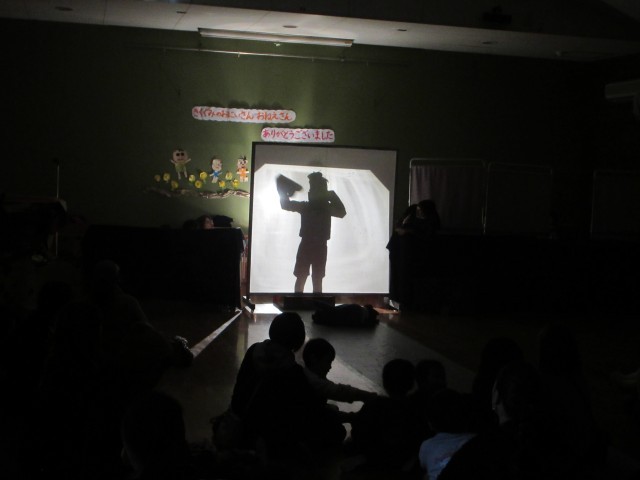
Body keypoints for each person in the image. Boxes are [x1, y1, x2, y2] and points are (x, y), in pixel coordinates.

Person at [277, 172, 346, 294]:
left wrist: (282, 188)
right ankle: (310, 302)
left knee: (308, 277)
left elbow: (285, 205)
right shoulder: (323, 208)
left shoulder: (311, 207)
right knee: (312, 278)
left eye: (313, 187)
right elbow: (341, 212)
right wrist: (330, 195)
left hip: (309, 245)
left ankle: (302, 302)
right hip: (315, 245)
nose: (311, 190)